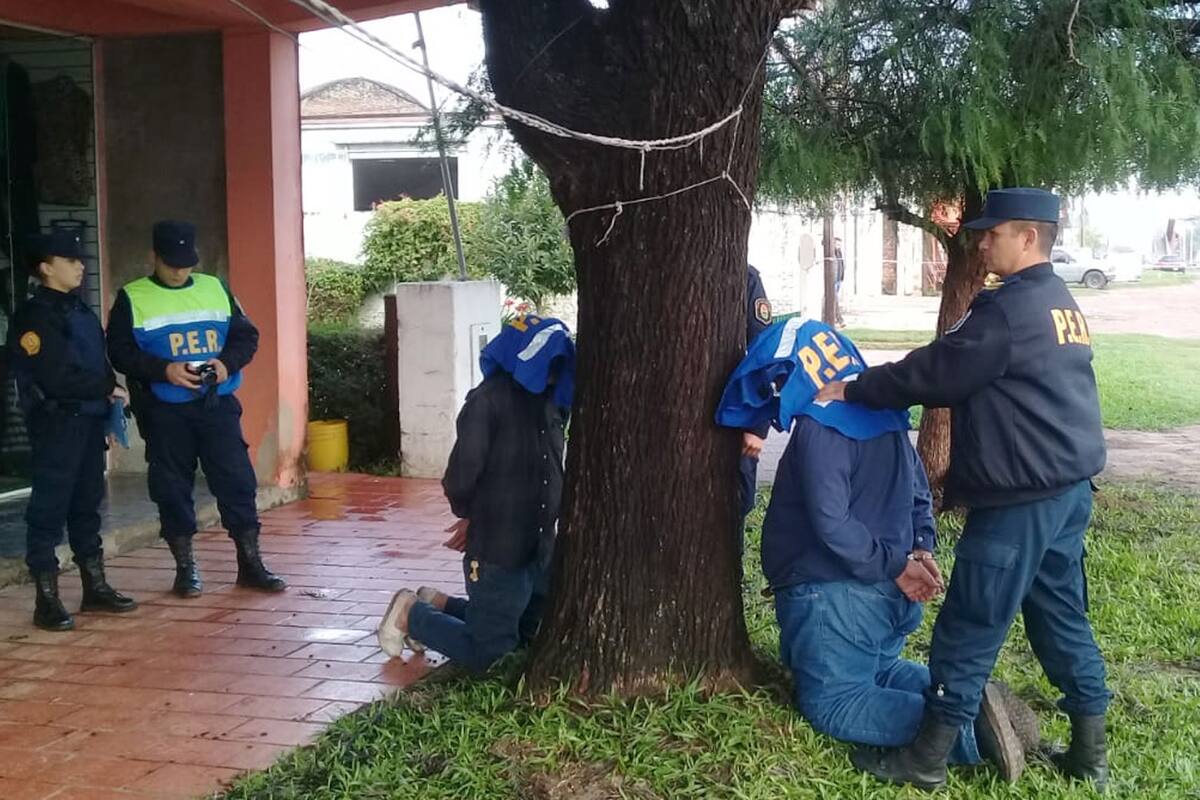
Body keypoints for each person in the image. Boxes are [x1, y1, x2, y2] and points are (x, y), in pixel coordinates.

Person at [816, 188, 1110, 791]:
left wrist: (856, 389)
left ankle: (925, 759)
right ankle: (1090, 754)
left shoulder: (1004, 311)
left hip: (1018, 502)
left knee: (969, 624)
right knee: (1061, 616)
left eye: (991, 233)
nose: (980, 242)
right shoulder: (1062, 304)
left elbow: (936, 373)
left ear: (1027, 238)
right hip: (1067, 493)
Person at [717, 317, 1037, 781]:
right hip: (885, 597)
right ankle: (968, 699)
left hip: (835, 594)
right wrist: (921, 549)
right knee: (881, 670)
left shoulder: (820, 426)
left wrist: (894, 565)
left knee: (834, 702)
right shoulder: (886, 417)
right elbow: (919, 494)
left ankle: (972, 734)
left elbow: (831, 520)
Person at [378, 315, 574, 673]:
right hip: (499, 547)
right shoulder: (487, 402)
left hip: (540, 544)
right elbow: (461, 476)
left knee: (529, 632)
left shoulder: (551, 402)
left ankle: (436, 603)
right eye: (551, 363)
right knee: (492, 654)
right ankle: (411, 614)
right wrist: (473, 515)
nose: (556, 372)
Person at [107, 220, 285, 598]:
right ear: (152, 257)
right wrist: (163, 370)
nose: (179, 271)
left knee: (237, 481)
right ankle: (185, 569)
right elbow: (119, 352)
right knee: (171, 488)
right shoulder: (132, 297)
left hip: (216, 403)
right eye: (171, 263)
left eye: (186, 263)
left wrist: (226, 364)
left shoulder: (214, 288)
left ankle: (250, 563)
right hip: (165, 410)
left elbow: (246, 336)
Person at [7, 231, 135, 630]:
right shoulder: (34, 316)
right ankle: (46, 599)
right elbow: (54, 374)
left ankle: (94, 585)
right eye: (69, 259)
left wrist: (109, 405)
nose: (80, 265)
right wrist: (105, 388)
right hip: (58, 423)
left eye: (80, 258)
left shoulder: (79, 310)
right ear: (46, 267)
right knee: (48, 511)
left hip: (89, 420)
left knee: (86, 506)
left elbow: (97, 363)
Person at [737, 265, 773, 550]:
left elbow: (763, 349)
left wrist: (757, 426)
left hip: (733, 416)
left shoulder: (743, 276)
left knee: (736, 502)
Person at [832, 237, 846, 326]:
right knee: (834, 299)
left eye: (839, 244)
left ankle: (835, 319)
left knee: (834, 300)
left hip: (838, 280)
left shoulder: (839, 253)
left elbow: (841, 266)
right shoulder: (832, 253)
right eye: (837, 244)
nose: (838, 246)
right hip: (833, 280)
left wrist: (841, 278)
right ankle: (839, 319)